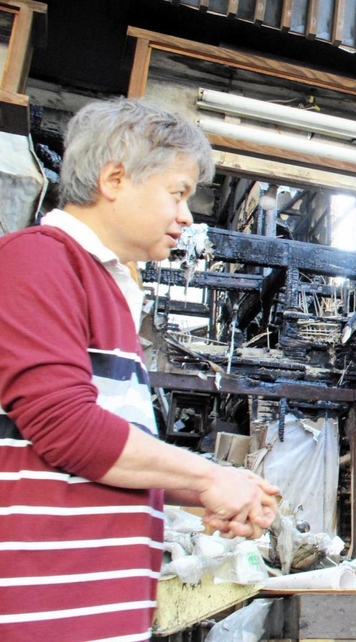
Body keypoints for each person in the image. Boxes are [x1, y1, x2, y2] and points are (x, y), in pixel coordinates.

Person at [0, 98, 279, 642]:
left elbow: (97, 458)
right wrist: (208, 476)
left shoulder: (110, 290)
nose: (187, 215)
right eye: (177, 193)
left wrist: (202, 491)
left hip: (90, 611)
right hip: (41, 610)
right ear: (114, 178)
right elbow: (66, 429)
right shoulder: (38, 260)